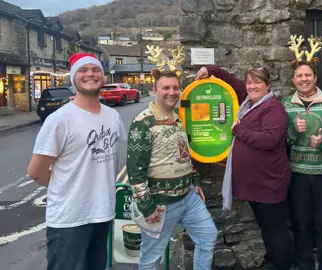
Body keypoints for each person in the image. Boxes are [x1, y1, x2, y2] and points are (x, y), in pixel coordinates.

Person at [27, 53, 126, 270]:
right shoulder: (60, 120)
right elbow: (36, 171)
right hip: (69, 221)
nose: (90, 74)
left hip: (103, 214)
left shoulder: (113, 116)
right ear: (73, 78)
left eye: (95, 69)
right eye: (83, 70)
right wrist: (69, 188)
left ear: (103, 76)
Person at [127, 48, 217, 270]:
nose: (172, 92)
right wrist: (146, 206)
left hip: (188, 198)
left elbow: (183, 155)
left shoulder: (177, 119)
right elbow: (135, 170)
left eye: (175, 88)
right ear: (155, 89)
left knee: (208, 237)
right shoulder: (143, 122)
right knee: (151, 258)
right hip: (161, 204)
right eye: (166, 88)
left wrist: (195, 181)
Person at [195, 66, 293, 270]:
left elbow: (269, 139)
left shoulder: (273, 108)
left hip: (269, 182)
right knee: (265, 226)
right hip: (256, 184)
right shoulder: (250, 102)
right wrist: (210, 69)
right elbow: (232, 80)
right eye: (249, 82)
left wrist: (239, 129)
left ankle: (281, 264)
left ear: (267, 85)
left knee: (276, 228)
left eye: (257, 82)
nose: (252, 86)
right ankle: (271, 259)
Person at [283, 35, 322, 270]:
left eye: (308, 75)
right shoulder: (285, 104)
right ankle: (304, 264)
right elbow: (282, 140)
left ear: (315, 77)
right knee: (301, 222)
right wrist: (294, 131)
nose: (304, 79)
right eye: (299, 76)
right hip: (297, 172)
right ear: (293, 79)